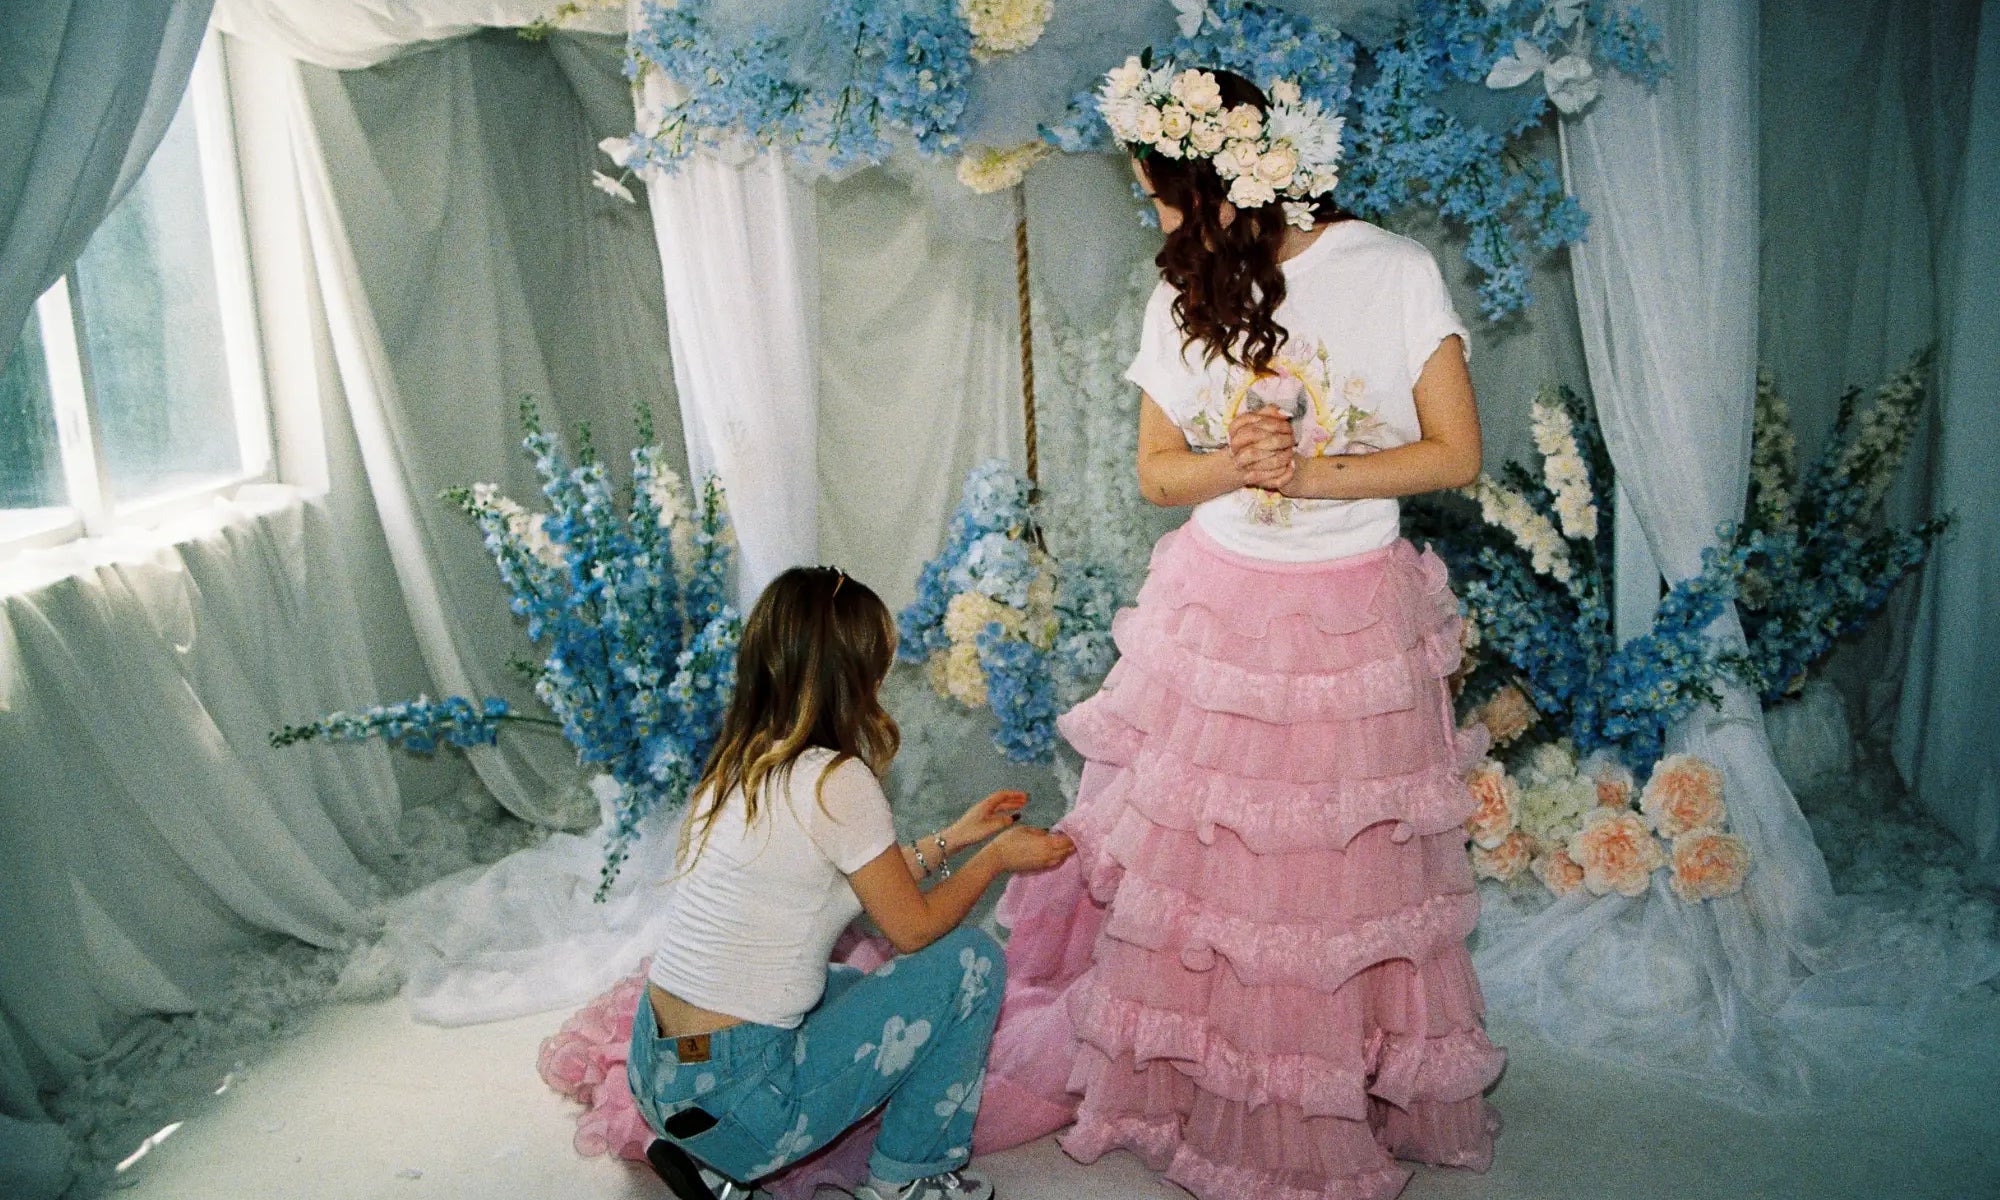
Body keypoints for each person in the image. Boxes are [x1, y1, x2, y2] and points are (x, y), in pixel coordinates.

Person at [971, 63, 1505, 1200]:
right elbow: (1159, 472)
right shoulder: (1181, 292)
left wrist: (1316, 473)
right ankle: (1206, 1085)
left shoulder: (1389, 270)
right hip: (1217, 607)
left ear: (1223, 175)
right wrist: (1241, 463)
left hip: (1353, 610)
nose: (1156, 218)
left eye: (1161, 193)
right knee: (1213, 884)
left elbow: (1453, 453)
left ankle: (1336, 1081)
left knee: (1338, 875)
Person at [626, 566, 1075, 1200]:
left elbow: (851, 882)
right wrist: (994, 858)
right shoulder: (838, 780)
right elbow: (912, 929)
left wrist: (957, 836)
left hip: (659, 1072)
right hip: (743, 1102)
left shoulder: (740, 766)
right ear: (850, 675)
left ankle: (712, 1165)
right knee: (969, 964)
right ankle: (906, 1181)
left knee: (847, 985)